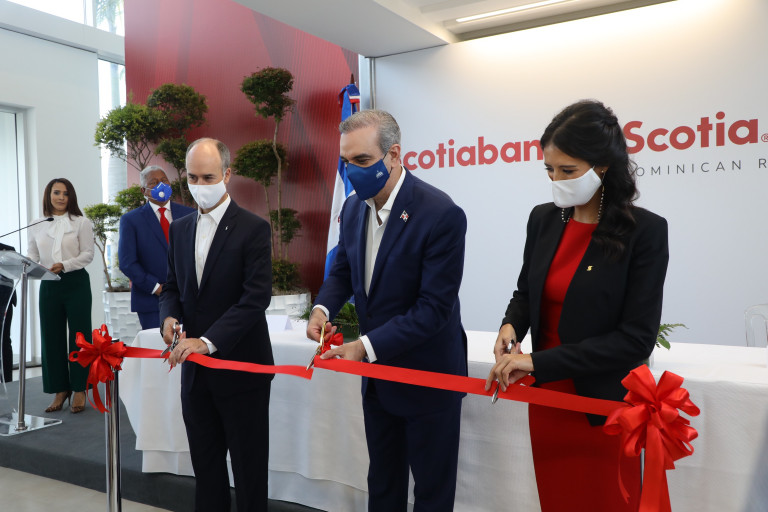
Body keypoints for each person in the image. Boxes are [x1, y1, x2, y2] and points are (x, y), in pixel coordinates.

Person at [484, 100, 669, 511]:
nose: (556, 181)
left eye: (567, 171)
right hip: (548, 401)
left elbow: (635, 341)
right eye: (549, 170)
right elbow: (526, 292)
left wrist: (536, 362)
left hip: (603, 407)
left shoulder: (645, 232)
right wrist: (511, 326)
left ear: (602, 166)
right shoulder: (543, 219)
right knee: (557, 499)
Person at [308, 109, 468, 512]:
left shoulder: (440, 214)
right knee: (382, 485)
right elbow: (342, 270)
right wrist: (322, 308)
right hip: (378, 380)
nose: (352, 171)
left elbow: (433, 309)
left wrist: (363, 347)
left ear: (394, 155)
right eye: (346, 161)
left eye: (362, 160)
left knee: (431, 494)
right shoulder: (352, 209)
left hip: (428, 377)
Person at [159, 138, 273, 512]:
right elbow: (172, 287)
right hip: (195, 375)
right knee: (206, 471)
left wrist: (207, 341)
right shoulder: (179, 229)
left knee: (249, 472)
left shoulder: (253, 229)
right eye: (192, 177)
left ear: (227, 174)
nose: (199, 185)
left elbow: (255, 298)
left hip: (241, 371)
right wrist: (168, 317)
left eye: (207, 177)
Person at [27, 178, 94, 413]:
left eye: (65, 193)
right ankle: (60, 389)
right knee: (51, 337)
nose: (61, 197)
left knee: (80, 336)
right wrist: (33, 266)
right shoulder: (37, 224)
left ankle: (80, 388)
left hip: (75, 282)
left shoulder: (81, 222)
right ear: (49, 195)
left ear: (71, 197)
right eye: (56, 193)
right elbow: (32, 255)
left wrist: (65, 265)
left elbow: (87, 254)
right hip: (48, 283)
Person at [118, 165, 195, 330]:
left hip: (189, 299)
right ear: (143, 191)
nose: (161, 185)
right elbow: (127, 263)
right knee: (158, 345)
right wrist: (156, 288)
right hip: (152, 301)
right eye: (153, 182)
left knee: (190, 346)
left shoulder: (190, 214)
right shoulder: (131, 220)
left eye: (164, 180)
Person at [0, 242, 17, 383]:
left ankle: (7, 382)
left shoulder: (8, 250)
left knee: (4, 340)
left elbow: (14, 272)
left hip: (4, 297)